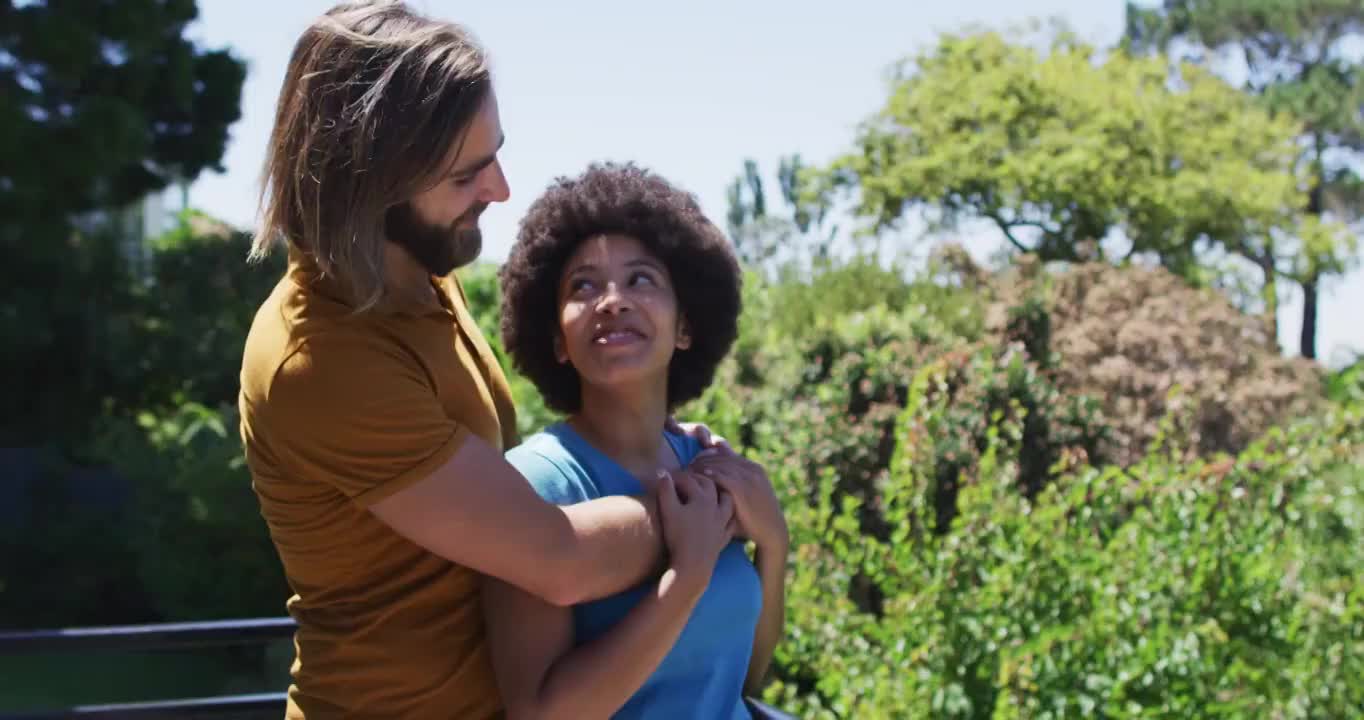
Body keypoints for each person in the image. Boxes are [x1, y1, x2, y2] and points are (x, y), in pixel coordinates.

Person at [238, 3, 745, 717]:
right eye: (464, 175)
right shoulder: (319, 358)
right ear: (370, 181)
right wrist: (705, 503)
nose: (500, 189)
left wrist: (664, 452)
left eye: (495, 153)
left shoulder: (416, 274)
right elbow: (557, 560)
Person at [483, 162, 789, 719]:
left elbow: (743, 675)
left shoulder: (711, 464)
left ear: (686, 327)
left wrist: (774, 543)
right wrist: (685, 579)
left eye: (641, 279)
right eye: (583, 285)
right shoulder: (535, 483)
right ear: (555, 337)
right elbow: (538, 715)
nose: (613, 300)